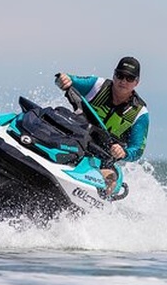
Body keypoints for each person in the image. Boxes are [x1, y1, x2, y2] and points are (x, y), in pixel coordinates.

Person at [55, 56, 149, 191]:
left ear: (136, 82)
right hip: (74, 141)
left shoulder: (139, 113)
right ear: (114, 75)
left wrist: (124, 153)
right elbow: (70, 80)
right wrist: (63, 79)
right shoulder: (97, 86)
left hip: (103, 158)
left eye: (129, 78)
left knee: (109, 182)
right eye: (120, 75)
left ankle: (92, 207)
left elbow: (138, 149)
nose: (123, 81)